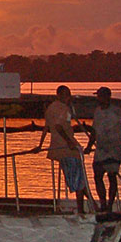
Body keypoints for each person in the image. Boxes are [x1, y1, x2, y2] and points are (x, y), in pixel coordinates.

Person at [34, 85, 92, 213]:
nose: (68, 97)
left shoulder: (50, 108)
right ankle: (81, 210)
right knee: (79, 181)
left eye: (69, 94)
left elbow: (46, 128)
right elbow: (58, 127)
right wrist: (70, 142)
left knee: (79, 179)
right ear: (59, 95)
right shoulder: (64, 109)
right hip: (67, 149)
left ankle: (93, 205)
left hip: (57, 148)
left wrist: (40, 145)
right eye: (66, 95)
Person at [84, 86, 121, 212]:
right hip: (101, 149)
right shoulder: (97, 111)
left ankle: (110, 205)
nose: (99, 98)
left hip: (114, 149)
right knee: (98, 175)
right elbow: (94, 131)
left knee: (112, 176)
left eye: (101, 96)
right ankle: (103, 203)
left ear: (108, 97)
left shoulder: (117, 111)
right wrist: (89, 146)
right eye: (98, 96)